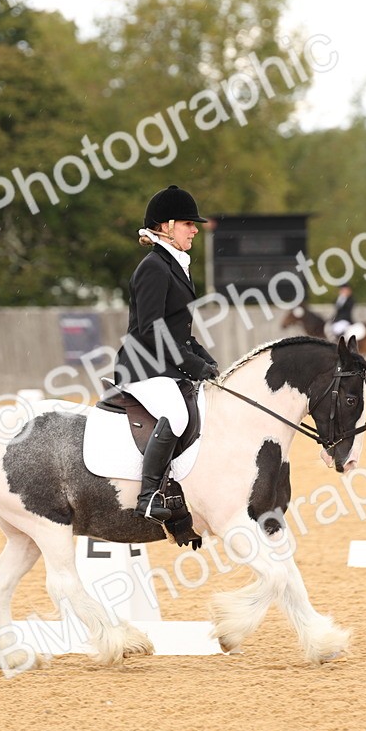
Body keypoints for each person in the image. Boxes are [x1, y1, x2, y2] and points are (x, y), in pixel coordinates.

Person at [112, 185, 217, 542]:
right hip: (142, 368)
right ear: (167, 225)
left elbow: (179, 332)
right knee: (177, 413)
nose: (195, 230)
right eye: (189, 223)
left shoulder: (175, 266)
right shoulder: (154, 267)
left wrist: (205, 361)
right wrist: (190, 363)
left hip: (165, 366)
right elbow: (153, 331)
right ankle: (150, 495)